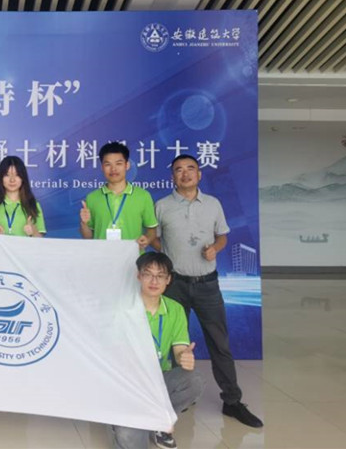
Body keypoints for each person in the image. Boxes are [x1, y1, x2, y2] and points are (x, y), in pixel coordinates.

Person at [153, 154, 263, 428]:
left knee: (219, 343)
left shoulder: (213, 204)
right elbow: (154, 238)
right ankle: (181, 395)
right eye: (179, 170)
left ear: (199, 174)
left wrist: (215, 248)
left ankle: (232, 401)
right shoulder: (162, 206)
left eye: (190, 168)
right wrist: (166, 253)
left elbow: (222, 235)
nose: (185, 173)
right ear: (172, 177)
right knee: (173, 342)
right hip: (174, 285)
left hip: (207, 285)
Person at [109, 252, 205, 449]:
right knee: (128, 437)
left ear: (168, 280)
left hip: (159, 380)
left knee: (194, 380)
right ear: (138, 276)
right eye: (148, 274)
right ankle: (136, 417)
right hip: (129, 383)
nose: (154, 281)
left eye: (160, 276)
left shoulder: (175, 309)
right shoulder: (122, 308)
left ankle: (160, 419)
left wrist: (184, 356)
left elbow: (179, 349)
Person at [79, 142, 156, 251]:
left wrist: (147, 239)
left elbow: (152, 229)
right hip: (102, 257)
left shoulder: (143, 196)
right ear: (102, 167)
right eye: (108, 164)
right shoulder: (92, 198)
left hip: (133, 258)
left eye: (118, 163)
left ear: (127, 165)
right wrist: (84, 223)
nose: (113, 169)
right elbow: (88, 237)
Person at [0, 156, 46, 237]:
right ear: (1, 178)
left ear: (23, 178)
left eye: (17, 175)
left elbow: (41, 241)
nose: (12, 180)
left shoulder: (33, 205)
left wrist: (33, 231)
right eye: (7, 175)